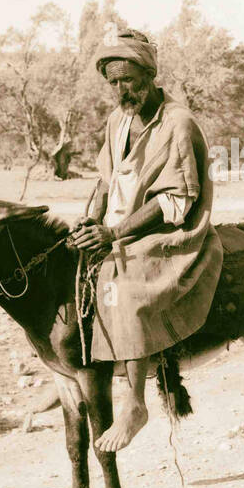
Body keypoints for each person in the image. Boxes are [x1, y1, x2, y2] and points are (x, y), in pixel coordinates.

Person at [69, 30, 223, 450]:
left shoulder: (178, 123)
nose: (121, 90)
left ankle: (135, 402)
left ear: (151, 74)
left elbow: (177, 200)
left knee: (127, 283)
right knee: (67, 270)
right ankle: (72, 369)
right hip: (117, 228)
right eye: (113, 82)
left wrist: (114, 234)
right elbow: (107, 179)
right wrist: (89, 220)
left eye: (129, 80)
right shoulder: (117, 120)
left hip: (169, 232)